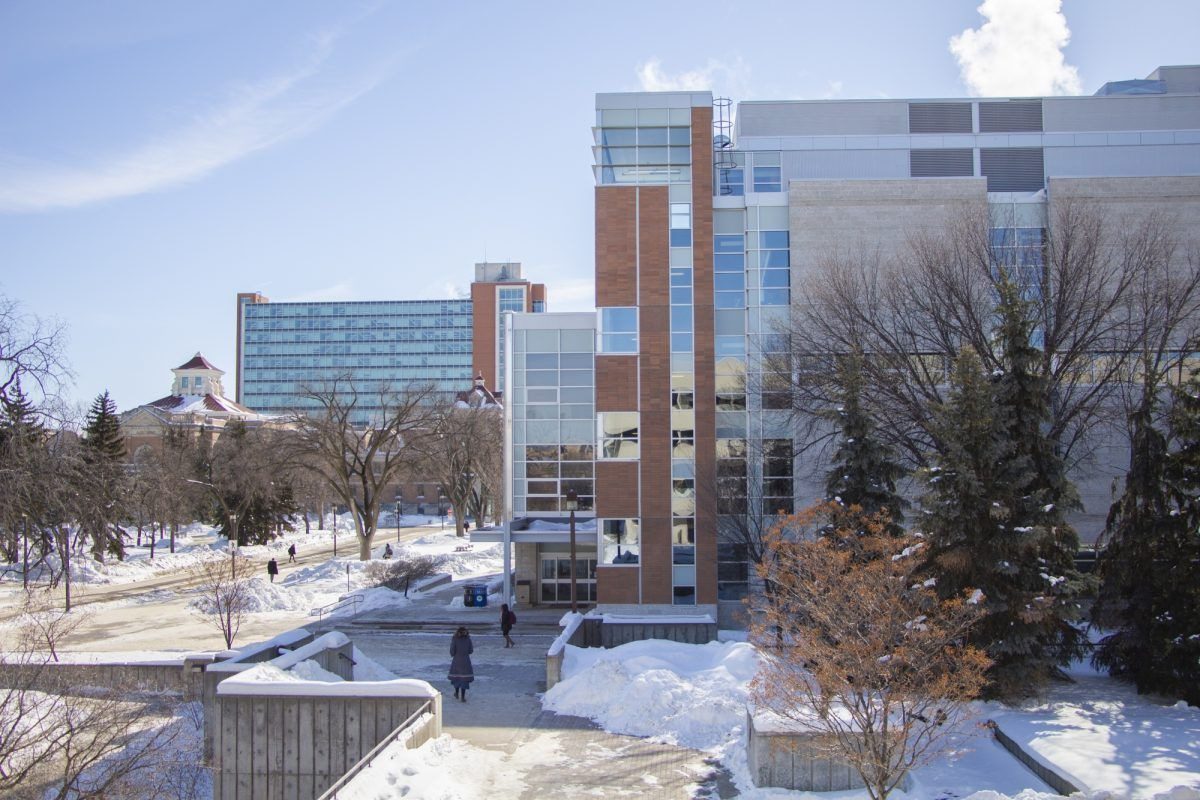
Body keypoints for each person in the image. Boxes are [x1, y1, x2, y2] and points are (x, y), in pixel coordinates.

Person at [448, 626, 474, 702]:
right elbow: (471, 650)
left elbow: (452, 651)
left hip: (457, 660)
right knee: (464, 679)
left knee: (457, 678)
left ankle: (456, 693)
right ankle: (462, 696)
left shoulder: (455, 639)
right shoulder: (468, 639)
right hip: (466, 661)